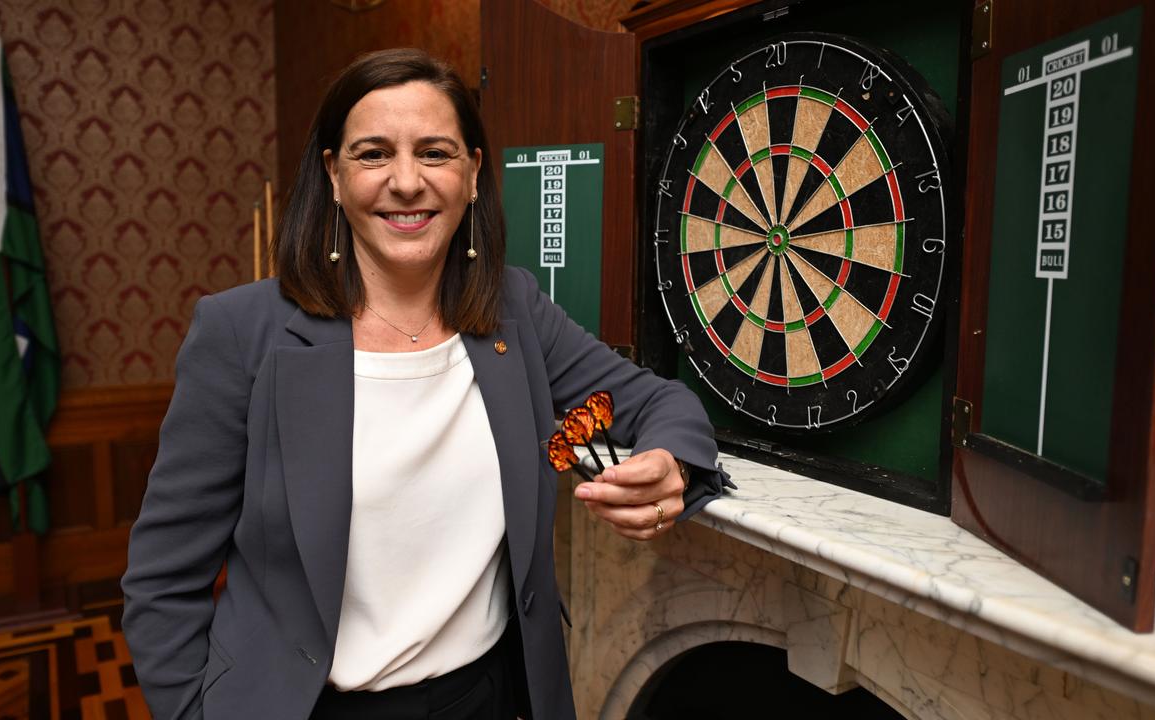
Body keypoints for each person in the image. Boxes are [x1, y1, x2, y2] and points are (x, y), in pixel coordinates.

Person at [122, 48, 730, 720]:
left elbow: (658, 400)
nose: (405, 182)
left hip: (491, 698)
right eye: (374, 153)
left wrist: (669, 459)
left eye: (435, 153)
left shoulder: (513, 311)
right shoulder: (242, 332)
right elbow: (163, 580)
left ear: (472, 174)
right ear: (333, 174)